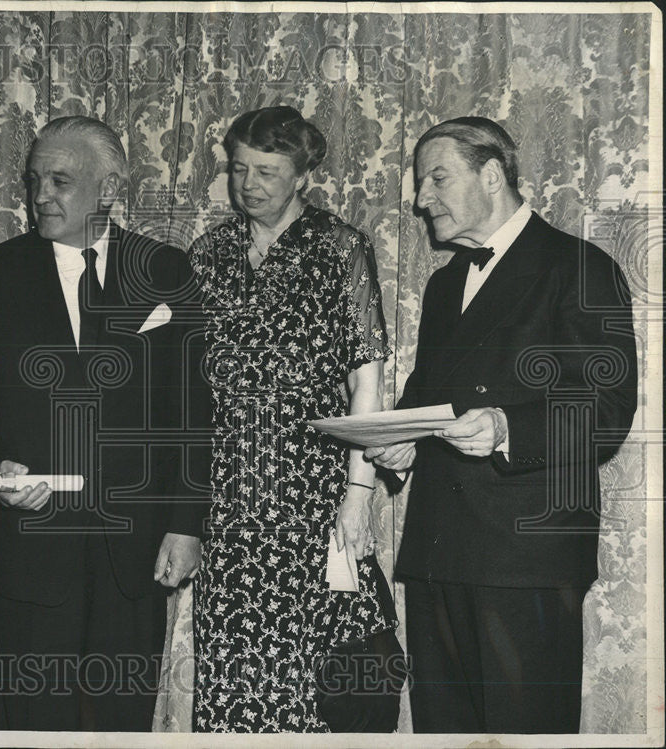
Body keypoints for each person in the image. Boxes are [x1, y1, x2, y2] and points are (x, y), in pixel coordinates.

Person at [0, 115, 212, 732]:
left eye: (59, 180)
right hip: (28, 547)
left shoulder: (165, 270)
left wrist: (185, 525)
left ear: (108, 188)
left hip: (134, 552)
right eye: (34, 181)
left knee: (122, 726)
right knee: (30, 725)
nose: (39, 196)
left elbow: (192, 410)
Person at [367, 116, 638, 733]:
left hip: (525, 559)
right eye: (419, 182)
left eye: (438, 177)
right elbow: (426, 398)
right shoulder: (442, 287)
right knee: (446, 733)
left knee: (525, 733)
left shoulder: (579, 266)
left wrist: (507, 426)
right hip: (439, 549)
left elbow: (608, 409)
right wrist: (401, 439)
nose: (420, 198)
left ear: (492, 175)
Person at [190, 106, 405, 733]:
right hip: (227, 497)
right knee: (233, 671)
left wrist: (357, 496)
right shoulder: (208, 254)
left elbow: (367, 381)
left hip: (314, 491)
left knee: (324, 676)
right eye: (238, 169)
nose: (248, 184)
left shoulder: (341, 248)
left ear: (303, 174)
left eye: (267, 170)